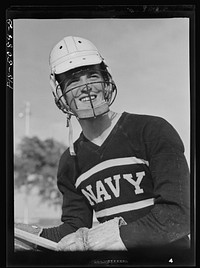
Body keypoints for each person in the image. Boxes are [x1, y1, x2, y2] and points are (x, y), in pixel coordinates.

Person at [15, 36, 190, 252]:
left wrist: (105, 238)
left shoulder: (152, 130)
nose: (85, 86)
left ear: (106, 80)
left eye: (92, 75)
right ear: (60, 93)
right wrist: (29, 237)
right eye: (73, 81)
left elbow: (179, 215)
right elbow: (74, 229)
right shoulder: (70, 162)